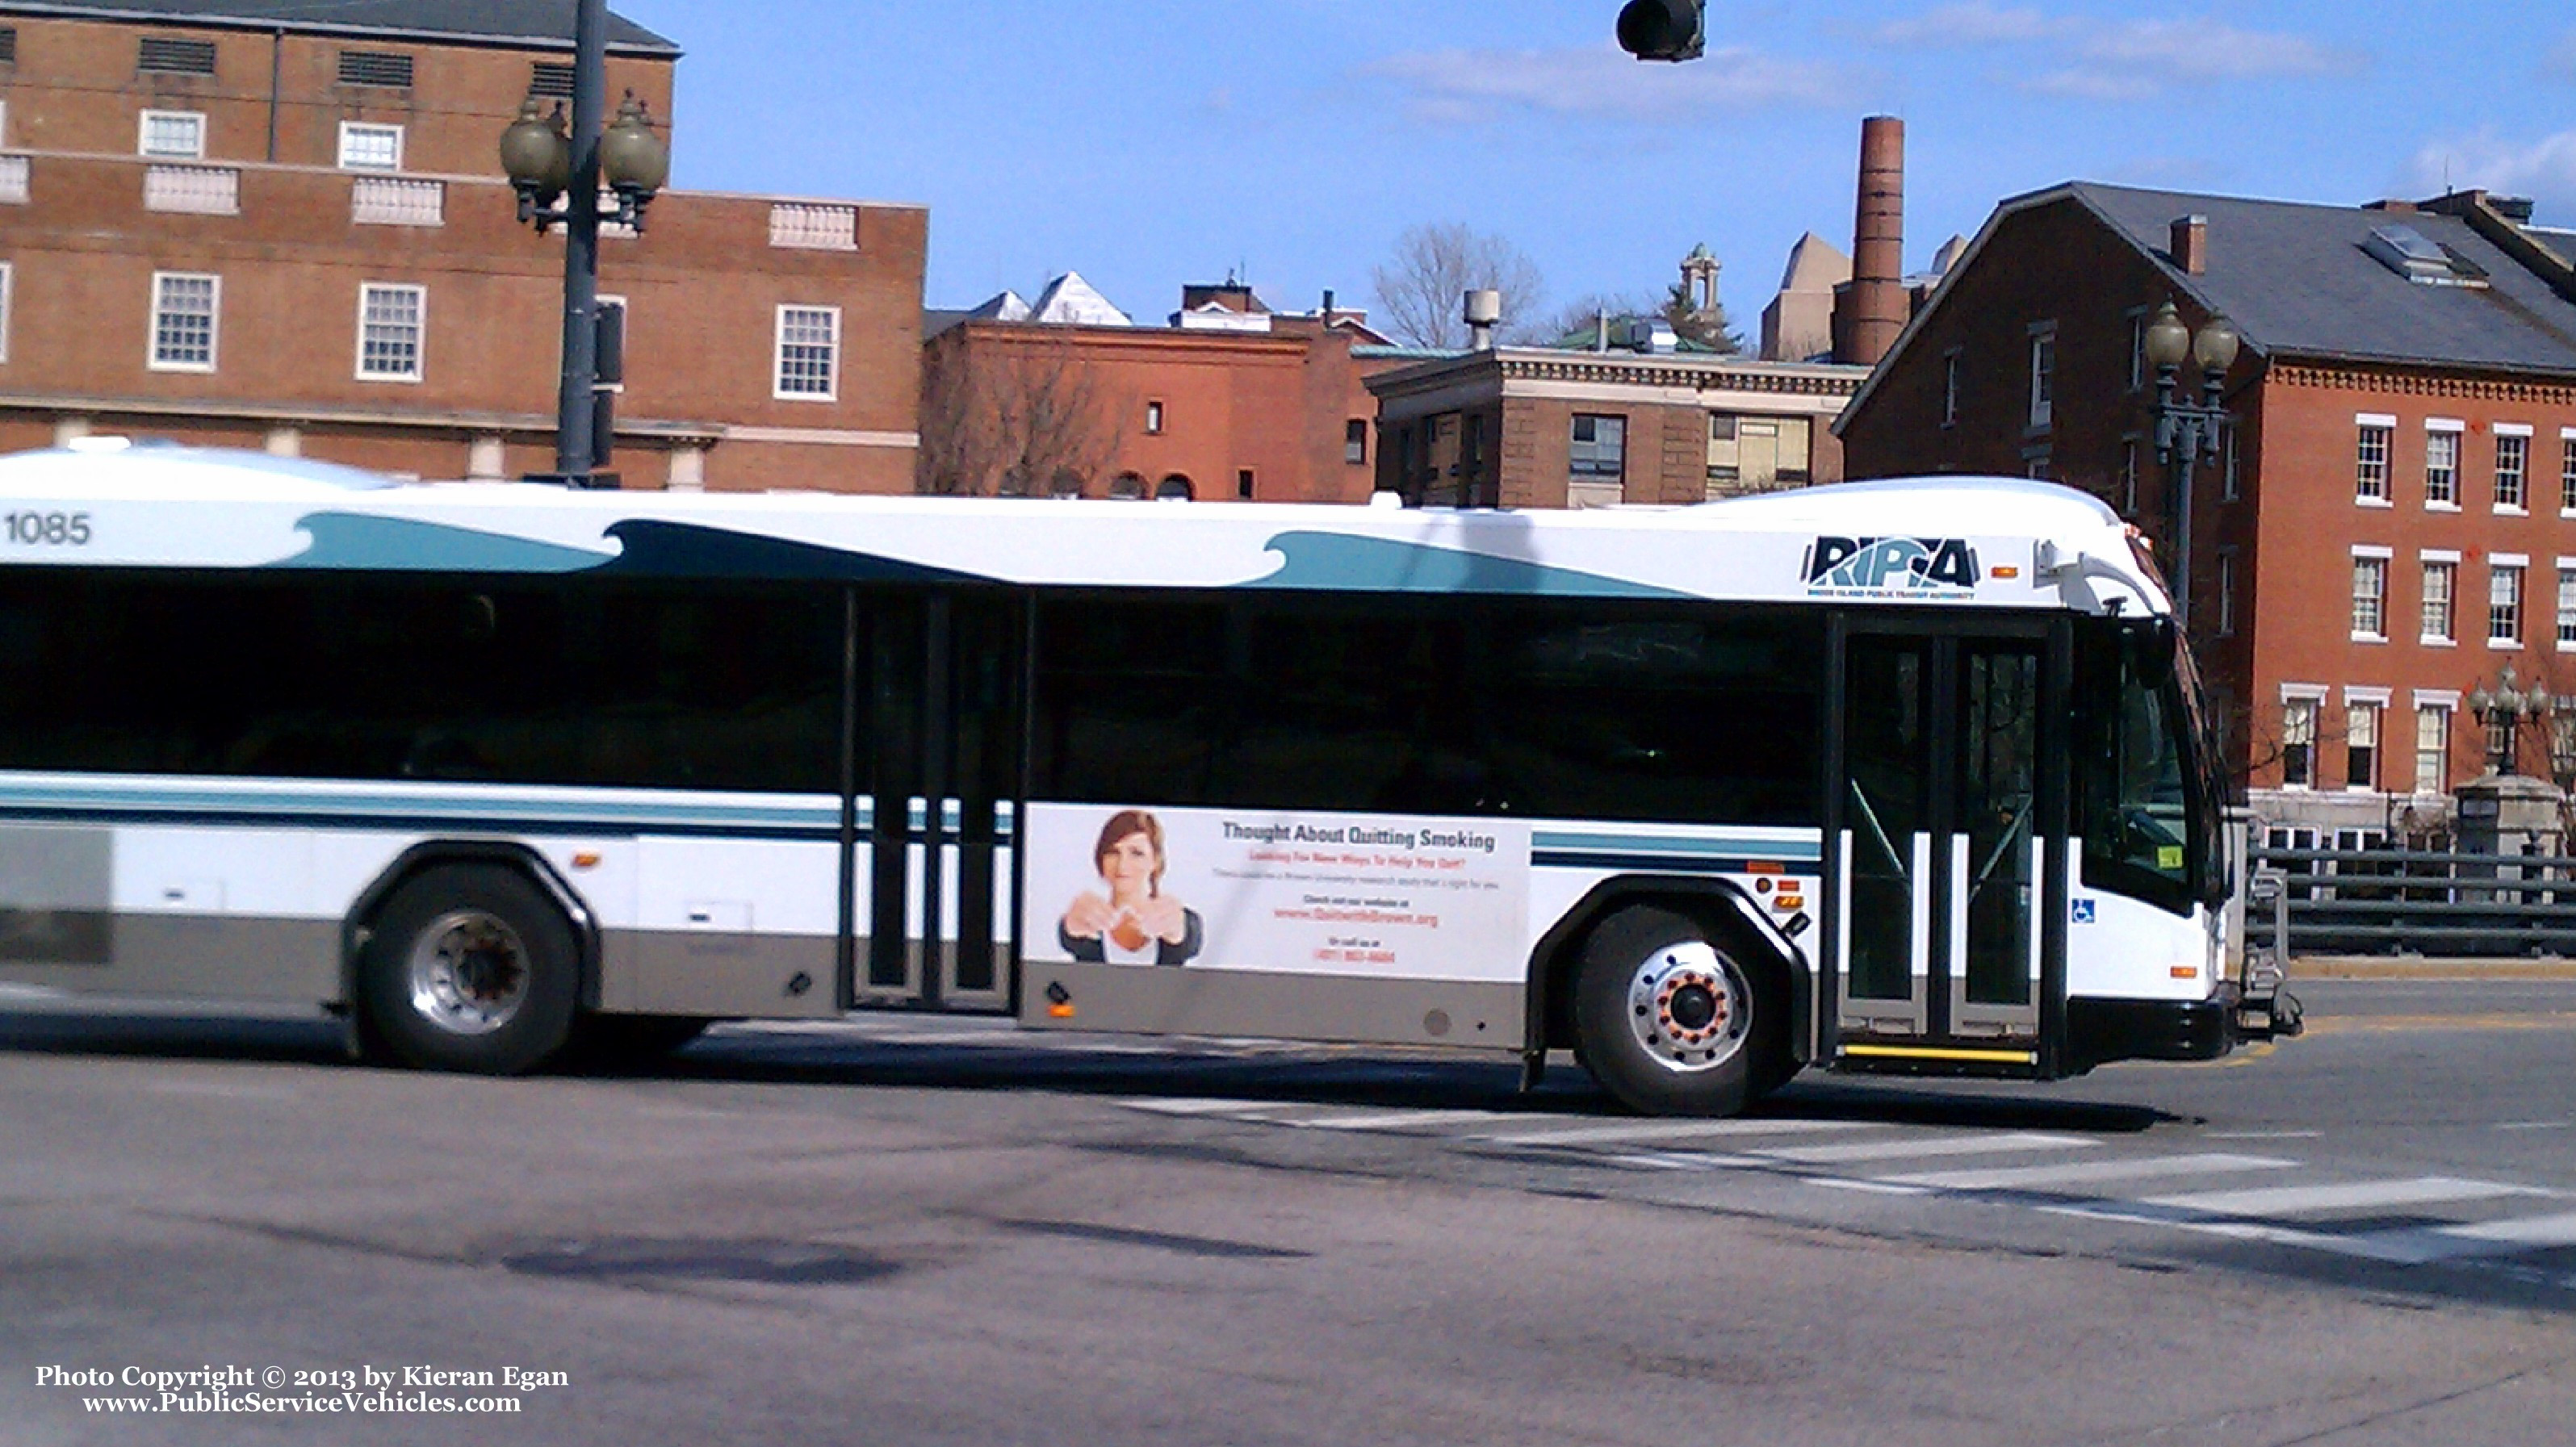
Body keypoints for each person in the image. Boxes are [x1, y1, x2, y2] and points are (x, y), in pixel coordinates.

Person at [1059, 809, 1202, 966]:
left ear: (1155, 861)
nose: (1122, 865)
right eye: (1113, 852)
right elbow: (1070, 937)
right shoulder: (1088, 920)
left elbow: (1188, 937)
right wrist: (1071, 925)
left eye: (1137, 853)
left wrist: (1178, 927)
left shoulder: (1177, 920)